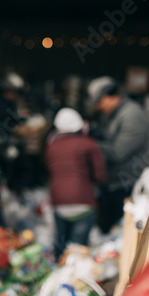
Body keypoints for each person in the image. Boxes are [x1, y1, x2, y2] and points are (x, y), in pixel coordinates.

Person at [87, 76, 149, 234]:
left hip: (126, 184)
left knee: (119, 232)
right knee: (105, 228)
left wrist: (88, 144)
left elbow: (117, 152)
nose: (98, 107)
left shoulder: (132, 115)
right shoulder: (112, 113)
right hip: (111, 182)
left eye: (99, 102)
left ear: (110, 96)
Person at [46, 108, 106, 258]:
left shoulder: (52, 147)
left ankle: (56, 274)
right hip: (83, 202)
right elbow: (100, 175)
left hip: (58, 202)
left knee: (61, 243)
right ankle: (74, 275)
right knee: (77, 249)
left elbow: (49, 170)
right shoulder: (88, 144)